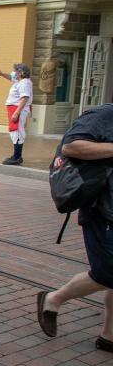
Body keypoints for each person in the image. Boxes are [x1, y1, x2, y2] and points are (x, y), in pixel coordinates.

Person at [36, 104, 113, 351]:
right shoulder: (104, 115)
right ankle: (54, 298)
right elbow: (72, 146)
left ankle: (109, 335)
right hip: (102, 210)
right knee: (107, 272)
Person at [0, 63, 33, 165]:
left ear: (21, 73)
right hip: (15, 108)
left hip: (18, 109)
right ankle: (16, 155)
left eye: (16, 71)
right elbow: (11, 78)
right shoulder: (20, 81)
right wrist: (3, 74)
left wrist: (17, 113)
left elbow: (25, 98)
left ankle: (17, 157)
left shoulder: (24, 83)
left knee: (17, 132)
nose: (14, 73)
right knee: (15, 131)